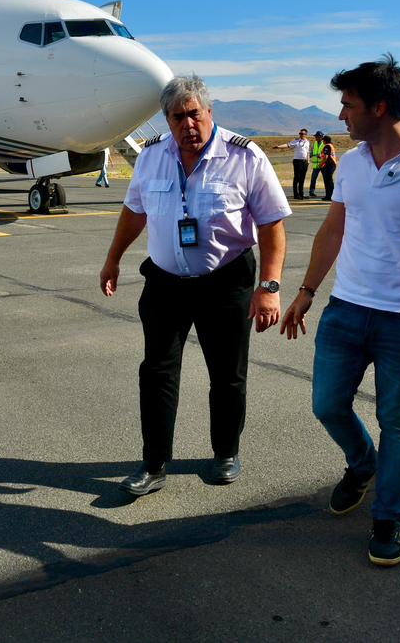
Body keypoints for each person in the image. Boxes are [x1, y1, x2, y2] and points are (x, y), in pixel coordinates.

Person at [279, 54, 400, 567]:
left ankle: (389, 518)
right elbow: (333, 230)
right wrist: (307, 290)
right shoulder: (351, 164)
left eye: (348, 104)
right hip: (345, 309)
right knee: (327, 405)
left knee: (398, 422)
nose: (341, 114)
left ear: (380, 107)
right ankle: (363, 464)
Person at [100, 75, 291, 496]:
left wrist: (269, 286)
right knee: (157, 373)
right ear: (166, 121)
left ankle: (225, 452)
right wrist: (112, 259)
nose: (187, 124)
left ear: (209, 112)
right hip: (165, 284)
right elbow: (134, 211)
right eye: (176, 117)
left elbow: (271, 225)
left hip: (226, 282)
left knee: (227, 375)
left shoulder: (244, 156)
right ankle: (153, 464)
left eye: (194, 114)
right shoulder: (152, 157)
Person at [275, 128, 310, 199]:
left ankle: (301, 194)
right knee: (297, 177)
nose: (301, 135)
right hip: (297, 161)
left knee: (302, 178)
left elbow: (307, 152)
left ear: (306, 134)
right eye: (300, 133)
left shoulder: (307, 142)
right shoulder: (296, 141)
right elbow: (288, 145)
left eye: (302, 134)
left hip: (304, 162)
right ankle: (296, 194)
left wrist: (308, 160)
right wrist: (278, 147)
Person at [308, 130, 325, 197]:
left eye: (317, 136)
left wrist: (321, 155)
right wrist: (308, 157)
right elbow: (312, 152)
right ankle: (311, 192)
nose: (316, 138)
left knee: (326, 179)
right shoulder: (314, 143)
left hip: (323, 164)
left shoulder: (324, 144)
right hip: (316, 165)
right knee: (313, 179)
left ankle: (329, 192)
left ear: (321, 137)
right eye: (316, 136)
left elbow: (327, 153)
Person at [320, 135, 337, 200]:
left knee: (328, 180)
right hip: (332, 164)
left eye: (323, 140)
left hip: (329, 164)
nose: (322, 141)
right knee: (329, 180)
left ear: (325, 140)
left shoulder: (327, 146)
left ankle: (329, 196)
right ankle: (330, 195)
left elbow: (326, 157)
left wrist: (320, 164)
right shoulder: (331, 145)